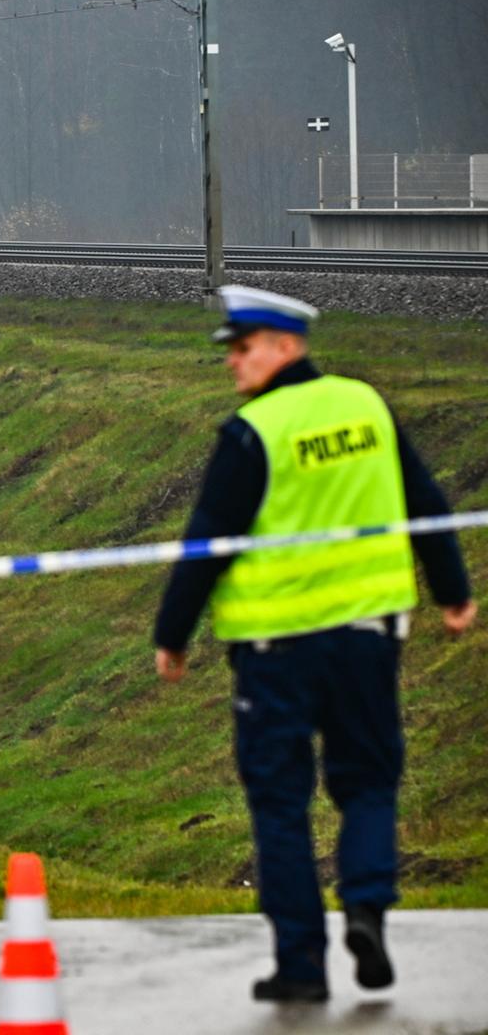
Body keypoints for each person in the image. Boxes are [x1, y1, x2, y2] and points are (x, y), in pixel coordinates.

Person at [153, 285, 475, 1004]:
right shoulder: (366, 405)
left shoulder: (253, 432)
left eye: (243, 349)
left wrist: (171, 636)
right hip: (368, 639)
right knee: (367, 782)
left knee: (280, 802)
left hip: (275, 654)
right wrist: (453, 590)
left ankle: (300, 965)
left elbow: (207, 542)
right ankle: (365, 907)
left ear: (286, 347)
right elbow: (425, 502)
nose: (233, 363)